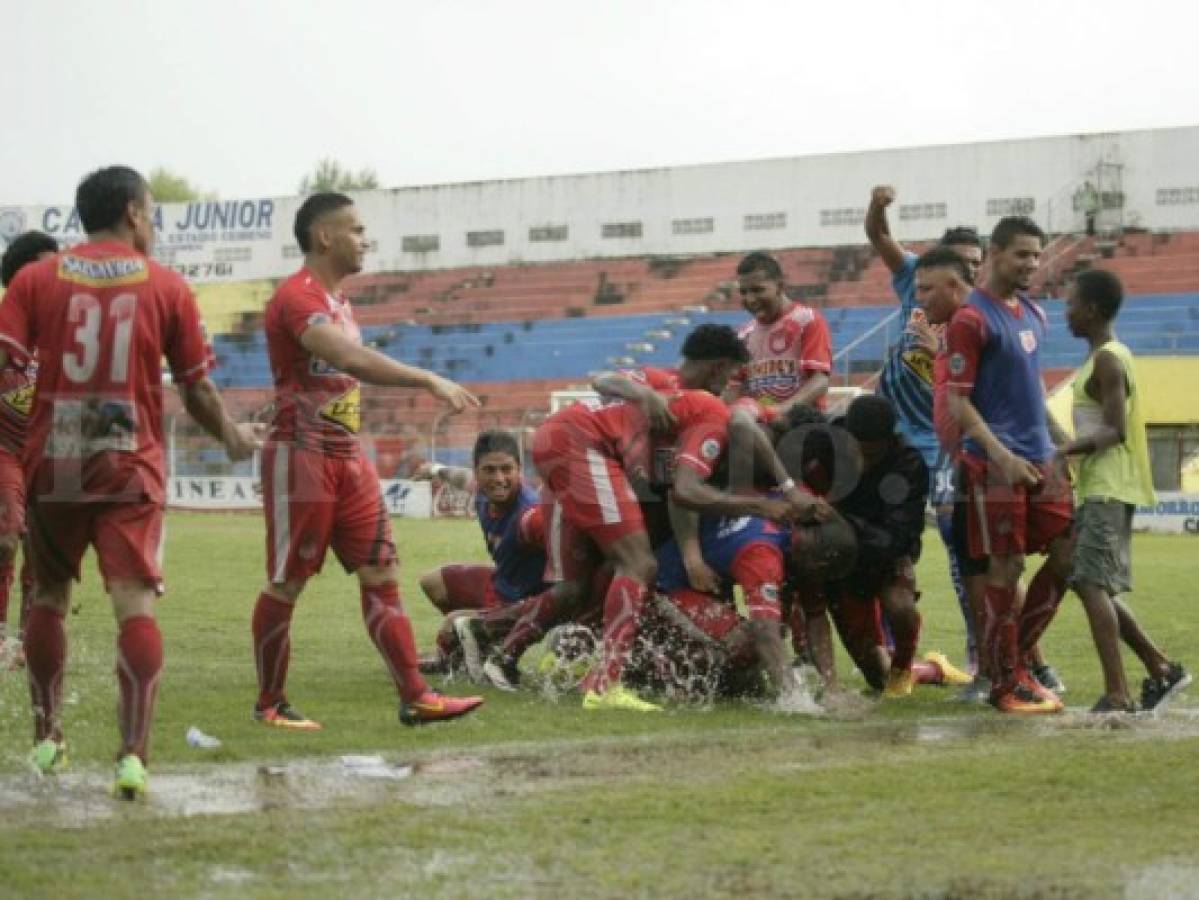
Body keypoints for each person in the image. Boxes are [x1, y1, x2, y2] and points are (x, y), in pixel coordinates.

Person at [0, 165, 262, 798]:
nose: (153, 224)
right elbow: (196, 388)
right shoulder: (167, 286)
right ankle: (132, 756)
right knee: (134, 606)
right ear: (132, 211)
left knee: (48, 598)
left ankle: (47, 738)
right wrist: (231, 436)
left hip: (57, 450)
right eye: (151, 212)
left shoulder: (35, 278)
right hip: (129, 455)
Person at [250, 191, 483, 731]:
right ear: (324, 236)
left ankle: (416, 696)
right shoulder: (296, 296)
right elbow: (349, 358)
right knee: (287, 581)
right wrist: (426, 377)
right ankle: (269, 703)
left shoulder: (339, 302)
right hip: (301, 455)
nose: (365, 239)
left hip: (346, 455)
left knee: (382, 570)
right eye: (355, 230)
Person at [533, 377, 821, 712]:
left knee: (626, 566)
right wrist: (767, 502)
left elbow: (678, 491)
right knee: (639, 566)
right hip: (580, 443)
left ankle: (581, 655)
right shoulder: (723, 423)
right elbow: (685, 490)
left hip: (570, 438)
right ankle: (604, 682)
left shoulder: (735, 420)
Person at [945, 216, 1073, 714]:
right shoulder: (969, 319)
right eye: (1022, 254)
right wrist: (1003, 457)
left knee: (1068, 550)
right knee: (1006, 565)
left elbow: (1033, 391)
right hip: (994, 465)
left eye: (1037, 256)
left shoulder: (1035, 315)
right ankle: (1005, 684)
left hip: (1040, 458)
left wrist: (1058, 445)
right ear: (994, 253)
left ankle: (1012, 662)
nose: (1032, 264)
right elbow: (958, 404)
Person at [1060, 269, 1190, 713]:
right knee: (1093, 585)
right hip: (1101, 486)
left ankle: (1118, 693)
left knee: (1090, 583)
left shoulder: (1109, 359)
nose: (1066, 312)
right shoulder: (1101, 358)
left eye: (1071, 304)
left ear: (1092, 310)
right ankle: (1160, 667)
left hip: (1109, 487)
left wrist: (1062, 451)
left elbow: (1113, 430)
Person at [865, 185, 983, 674]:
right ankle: (898, 651)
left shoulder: (980, 316)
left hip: (943, 446)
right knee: (890, 546)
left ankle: (983, 650)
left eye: (974, 265)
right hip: (894, 441)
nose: (966, 273)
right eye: (959, 263)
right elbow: (878, 235)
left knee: (963, 550)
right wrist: (878, 205)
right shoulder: (915, 277)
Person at [412, 429, 549, 677]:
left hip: (526, 602)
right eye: (490, 470)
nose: (499, 478)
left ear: (519, 469)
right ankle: (478, 646)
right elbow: (459, 476)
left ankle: (481, 646)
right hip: (502, 584)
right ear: (477, 472)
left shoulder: (531, 515)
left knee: (451, 626)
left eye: (507, 469)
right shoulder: (481, 492)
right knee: (432, 582)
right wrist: (434, 470)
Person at [0, 231, 57, 670]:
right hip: (3, 449)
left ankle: (26, 641)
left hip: (49, 454)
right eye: (47, 264)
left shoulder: (65, 329)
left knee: (43, 553)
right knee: (5, 538)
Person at [727, 251, 832, 415]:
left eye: (757, 290)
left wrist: (780, 411)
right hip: (761, 423)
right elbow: (734, 388)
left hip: (803, 421)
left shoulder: (807, 320)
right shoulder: (743, 335)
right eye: (743, 292)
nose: (750, 299)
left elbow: (820, 380)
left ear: (780, 286)